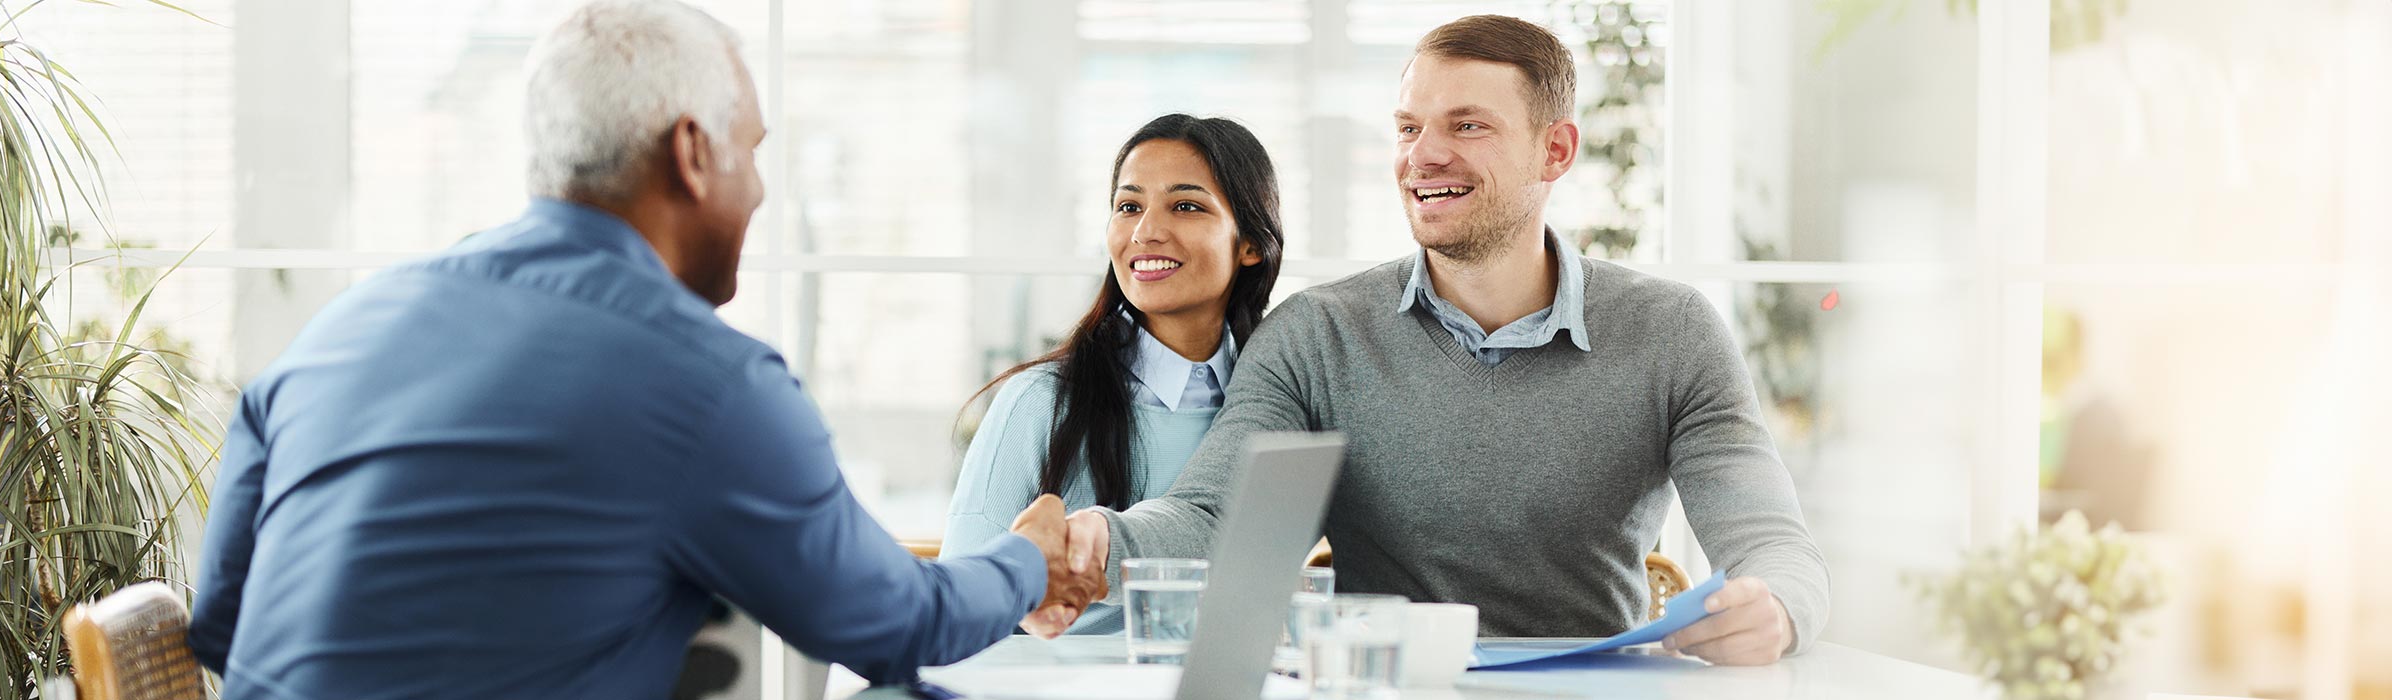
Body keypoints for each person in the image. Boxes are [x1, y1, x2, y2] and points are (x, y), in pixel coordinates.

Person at [186, 2, 1096, 696]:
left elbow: (223, 631)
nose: (763, 189)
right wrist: (1026, 562)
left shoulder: (340, 328)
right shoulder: (707, 383)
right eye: (753, 150)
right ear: (693, 154)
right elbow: (888, 625)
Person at [1020, 15, 1830, 666]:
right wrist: (1099, 540)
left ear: (1556, 150)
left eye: (1466, 125)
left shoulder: (1671, 332)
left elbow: (1771, 542)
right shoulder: (1317, 335)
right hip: (1387, 689)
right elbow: (1213, 519)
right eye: (1409, 127)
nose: (1423, 156)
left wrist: (1776, 609)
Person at [944, 114, 1285, 634]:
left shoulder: (1277, 403)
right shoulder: (1039, 401)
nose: (1145, 232)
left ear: (1251, 245)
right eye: (1128, 207)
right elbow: (963, 610)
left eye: (1186, 206)